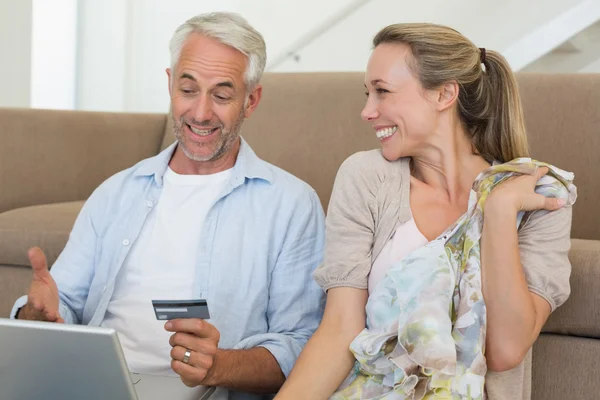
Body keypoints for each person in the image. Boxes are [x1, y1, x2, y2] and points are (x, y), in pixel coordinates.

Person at [12, 12, 325, 400]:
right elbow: (63, 304)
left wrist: (219, 365)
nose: (200, 113)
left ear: (251, 100)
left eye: (222, 95)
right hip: (96, 385)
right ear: (170, 84)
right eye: (188, 89)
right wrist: (34, 318)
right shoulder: (117, 192)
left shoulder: (292, 205)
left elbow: (303, 346)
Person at [275, 23, 575, 399]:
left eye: (382, 92)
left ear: (444, 94)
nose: (367, 111)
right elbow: (339, 328)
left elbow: (506, 350)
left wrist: (497, 211)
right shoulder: (366, 178)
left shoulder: (537, 198)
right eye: (368, 93)